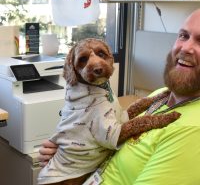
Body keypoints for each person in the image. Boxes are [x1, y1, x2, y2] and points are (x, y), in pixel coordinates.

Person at [38, 9, 200, 184]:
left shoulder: (192, 130)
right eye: (183, 35)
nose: (186, 48)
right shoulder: (161, 94)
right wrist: (68, 155)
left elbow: (115, 132)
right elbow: (119, 122)